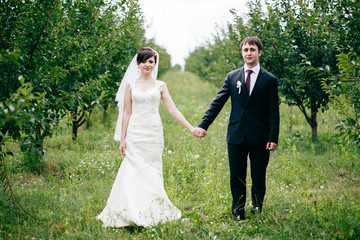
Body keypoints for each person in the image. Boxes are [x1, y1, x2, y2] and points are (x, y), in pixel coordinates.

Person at [97, 47, 195, 227]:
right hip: (135, 133)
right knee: (132, 169)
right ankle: (129, 210)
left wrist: (191, 128)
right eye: (144, 61)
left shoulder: (160, 86)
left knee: (152, 170)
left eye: (151, 61)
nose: (147, 65)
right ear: (138, 63)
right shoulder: (130, 85)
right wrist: (123, 139)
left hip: (153, 133)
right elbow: (127, 113)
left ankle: (152, 210)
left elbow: (173, 110)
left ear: (155, 64)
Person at [193, 36, 280, 221]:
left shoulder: (270, 80)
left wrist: (273, 136)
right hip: (236, 135)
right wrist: (203, 124)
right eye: (245, 50)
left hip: (260, 136)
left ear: (259, 52)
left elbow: (273, 111)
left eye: (252, 49)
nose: (248, 53)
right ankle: (238, 212)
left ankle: (257, 208)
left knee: (258, 176)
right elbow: (218, 102)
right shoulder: (232, 77)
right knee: (237, 176)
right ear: (242, 52)